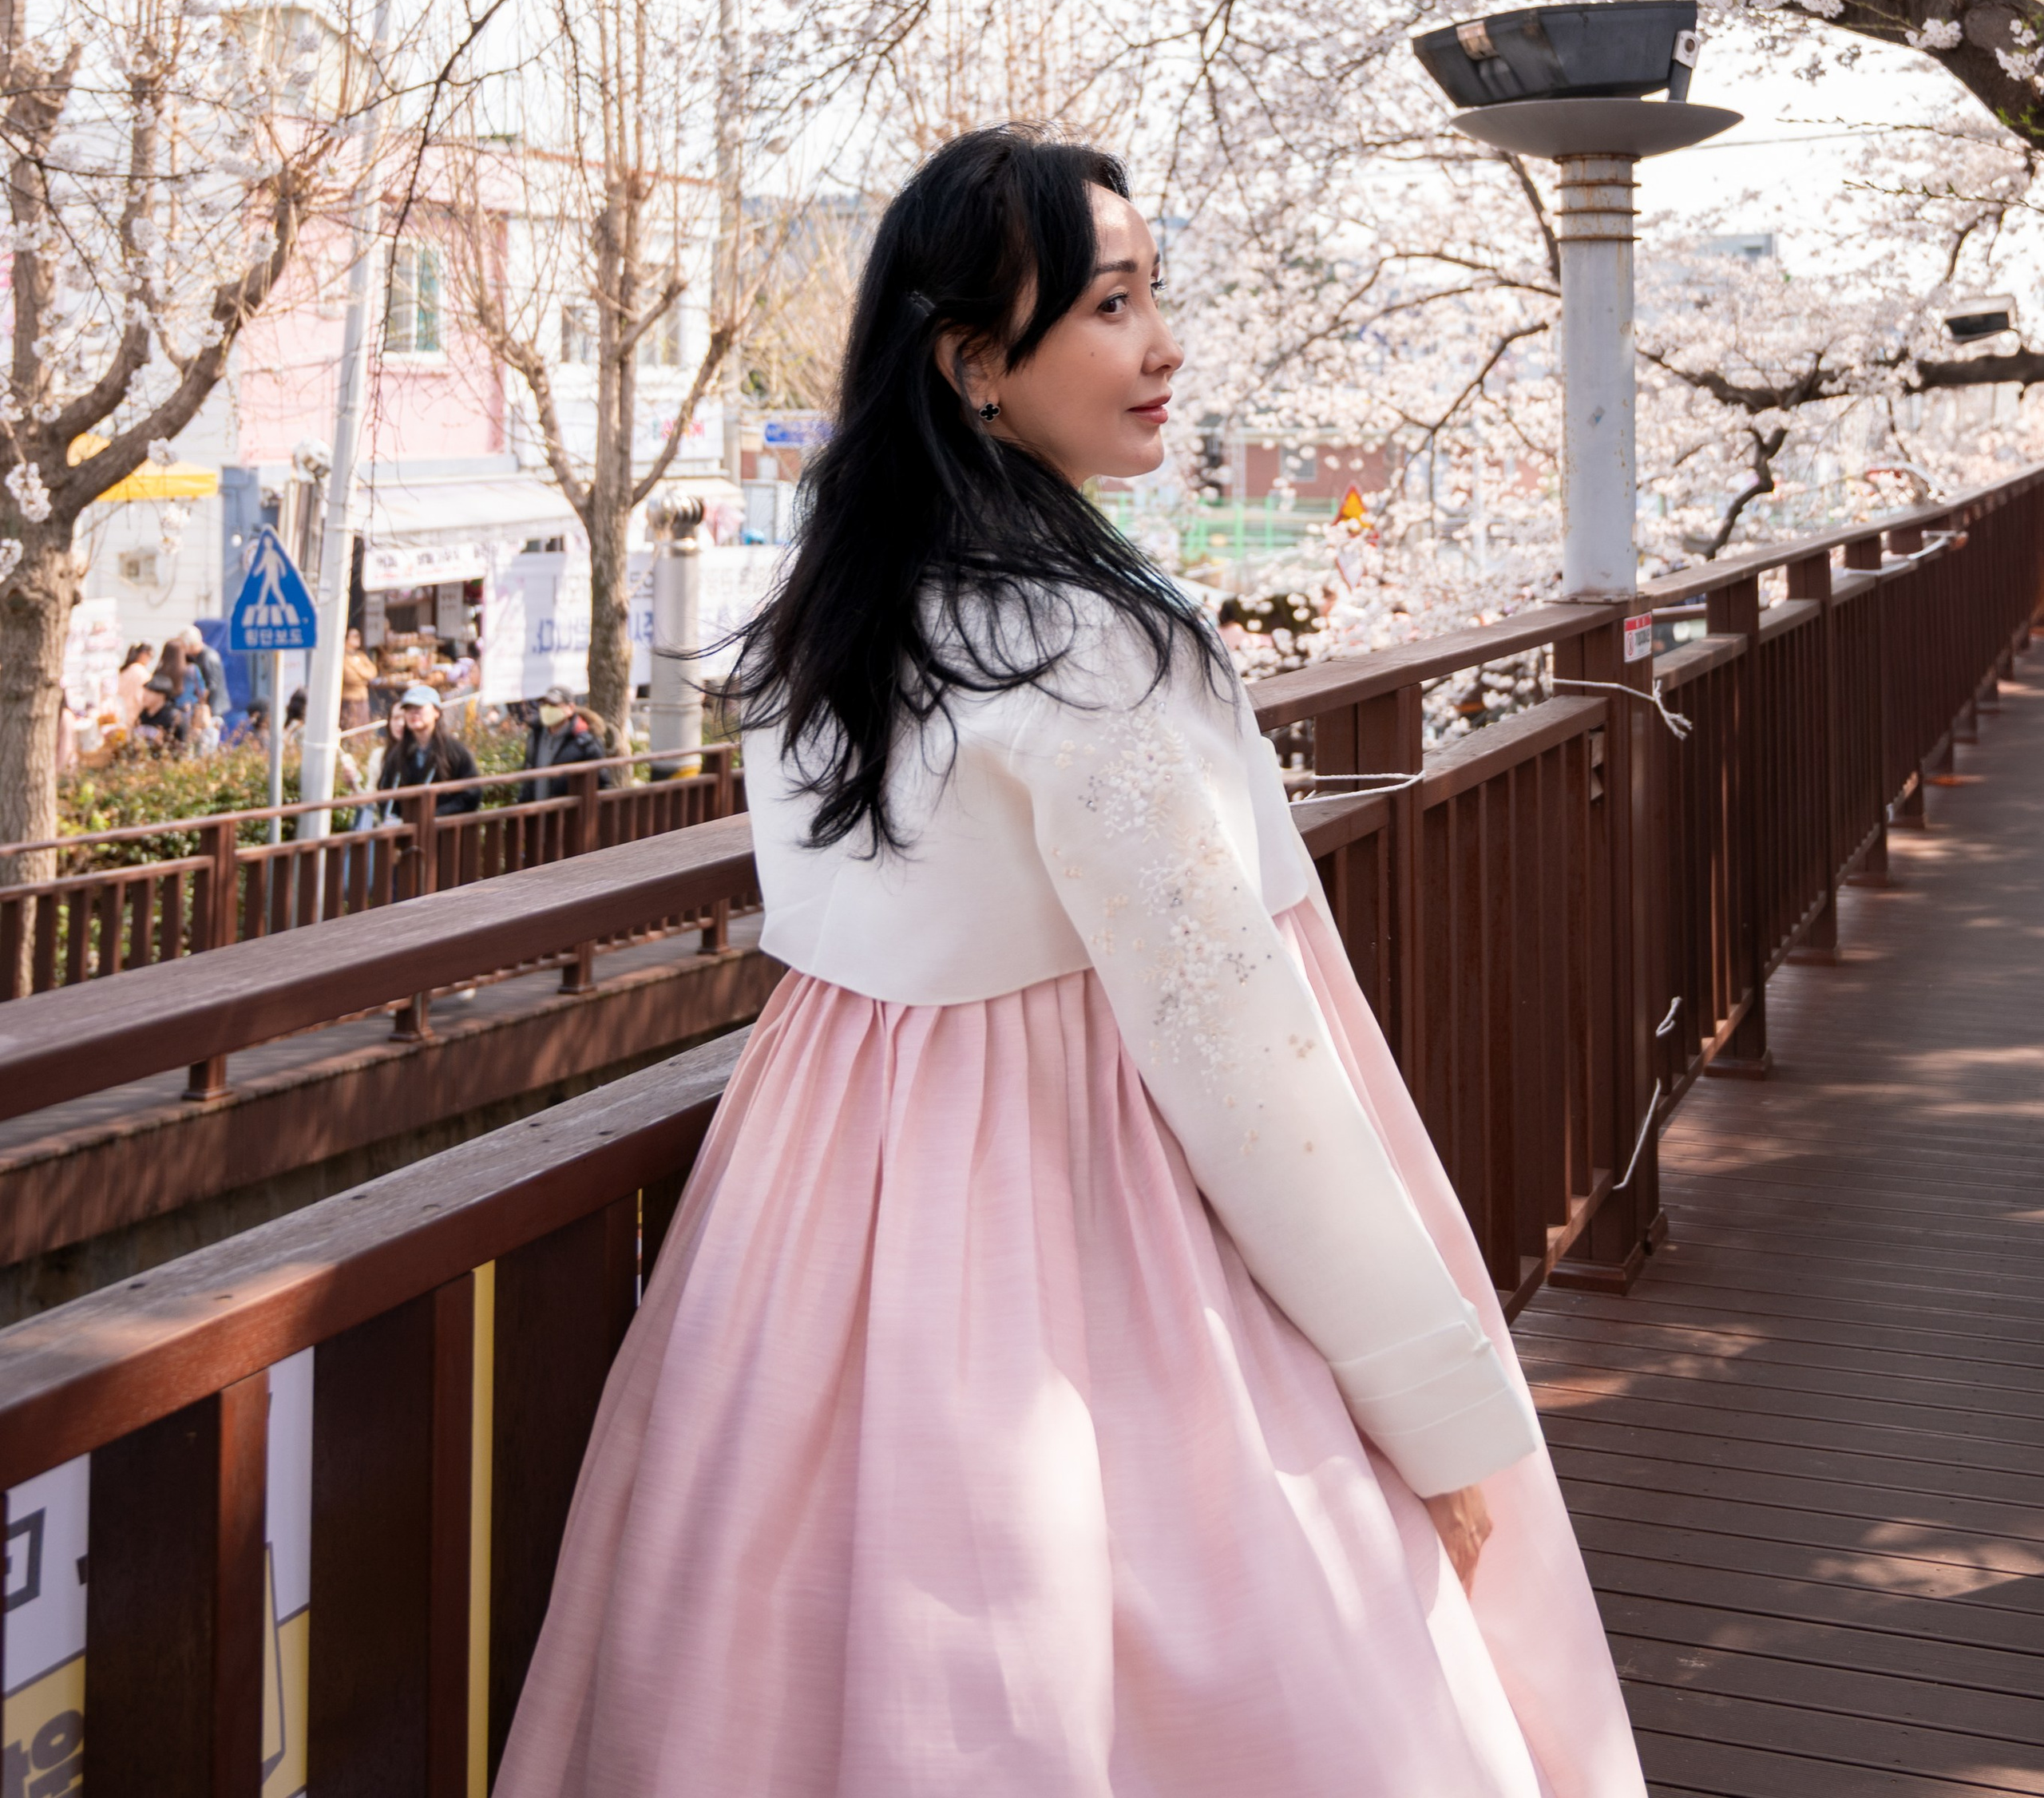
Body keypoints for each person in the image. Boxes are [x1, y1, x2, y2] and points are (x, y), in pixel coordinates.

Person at [496, 129, 1645, 1798]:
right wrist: (1435, 1421)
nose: (1162, 345)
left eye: (1151, 294)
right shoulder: (1095, 647)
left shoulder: (823, 629)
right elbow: (1241, 1067)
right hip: (1081, 1233)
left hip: (810, 1247)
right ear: (973, 364)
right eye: (1112, 305)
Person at [372, 682, 482, 819]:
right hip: (407, 833)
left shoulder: (455, 751)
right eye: (408, 708)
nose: (413, 713)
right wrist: (392, 818)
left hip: (446, 834)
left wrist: (437, 816)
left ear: (436, 712)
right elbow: (385, 791)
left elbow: (472, 794)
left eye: (419, 707)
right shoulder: (397, 753)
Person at [517, 688, 612, 803]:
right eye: (544, 704)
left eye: (553, 705)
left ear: (570, 708)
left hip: (569, 815)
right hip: (537, 814)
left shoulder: (585, 742)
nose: (547, 709)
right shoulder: (536, 735)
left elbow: (601, 781)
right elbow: (528, 772)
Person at [339, 627, 377, 732]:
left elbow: (373, 672)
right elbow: (350, 678)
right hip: (350, 699)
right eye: (354, 636)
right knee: (351, 727)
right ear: (346, 639)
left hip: (363, 698)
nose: (358, 638)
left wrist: (359, 671)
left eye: (359, 636)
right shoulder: (342, 657)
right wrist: (364, 678)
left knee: (364, 728)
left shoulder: (361, 655)